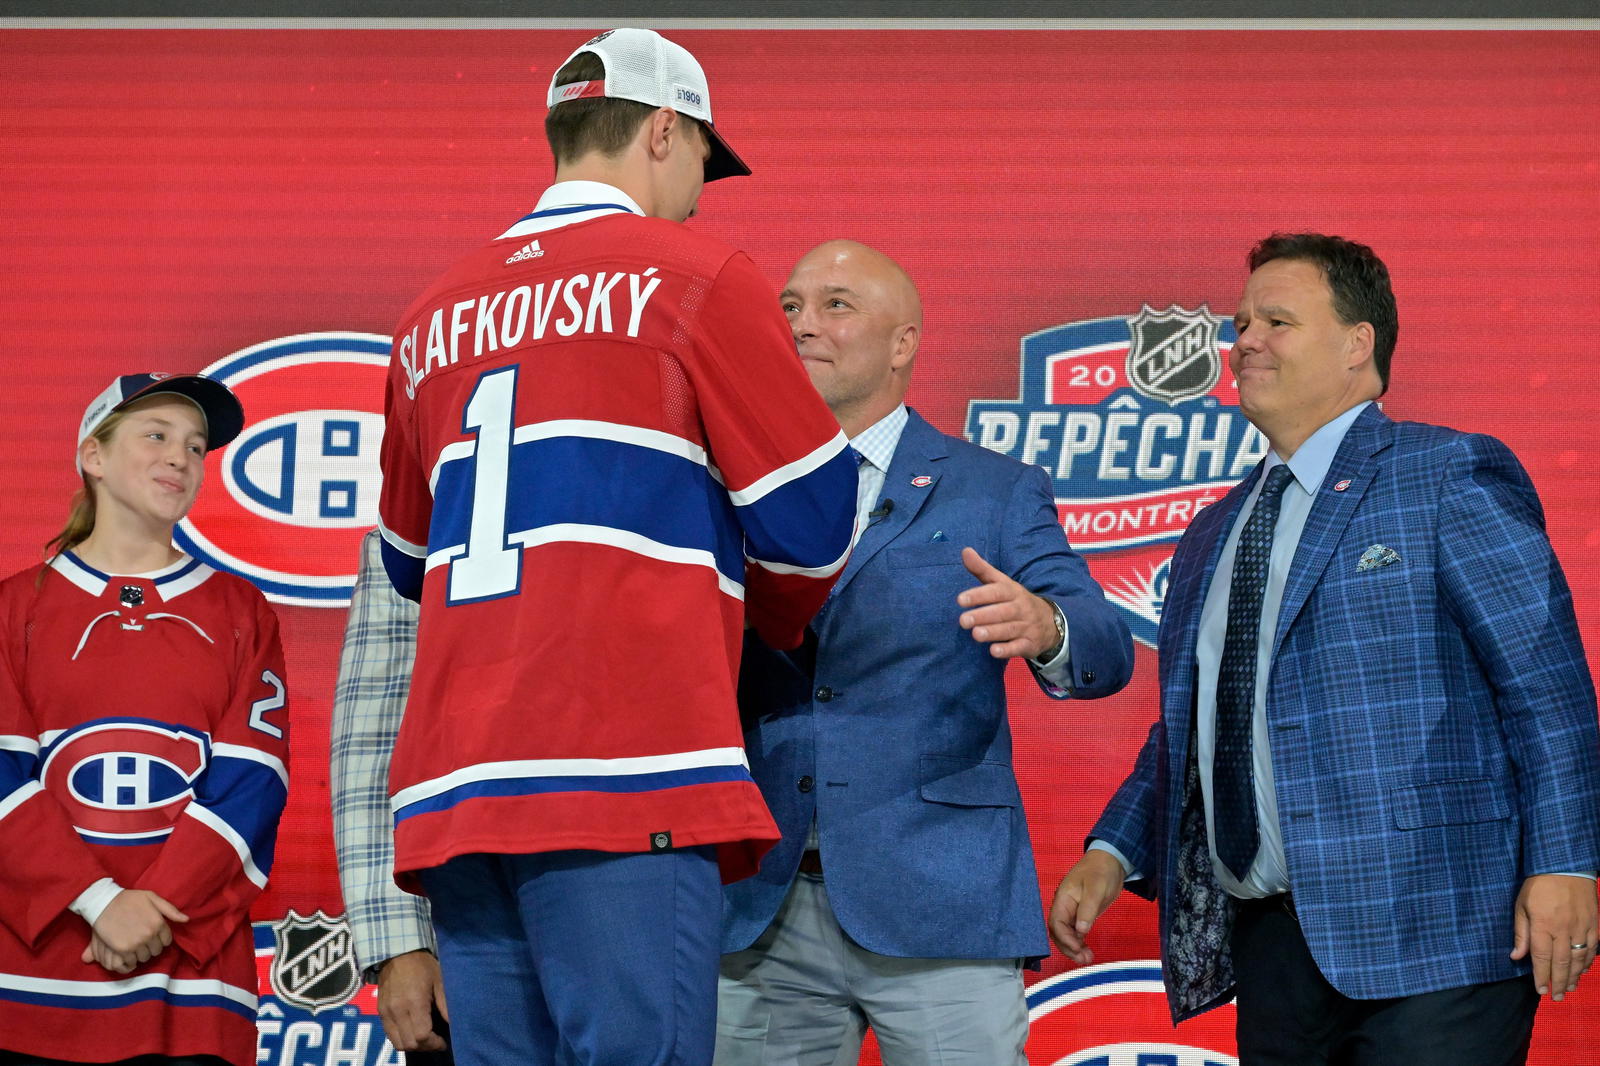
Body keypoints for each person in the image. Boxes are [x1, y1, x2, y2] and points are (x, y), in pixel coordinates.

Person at [375, 27, 858, 1066]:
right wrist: (749, 608)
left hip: (458, 787)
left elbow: (408, 562)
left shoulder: (428, 315)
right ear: (661, 131)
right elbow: (814, 521)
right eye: (697, 163)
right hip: (621, 760)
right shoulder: (695, 272)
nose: (695, 190)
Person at [1050, 233, 1600, 1066]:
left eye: (1278, 320)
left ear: (1357, 344)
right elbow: (1196, 726)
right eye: (1242, 323)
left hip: (1438, 929)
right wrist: (1111, 849)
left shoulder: (1446, 472)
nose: (1246, 341)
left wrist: (1567, 862)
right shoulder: (1211, 533)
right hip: (1272, 944)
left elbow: (1545, 685)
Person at [716, 240, 1135, 1066]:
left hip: (941, 901)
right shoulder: (718, 483)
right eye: (790, 306)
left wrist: (1045, 625)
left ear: (903, 343)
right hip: (758, 904)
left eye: (836, 305)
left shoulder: (994, 488)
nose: (803, 324)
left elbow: (1106, 643)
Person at [0, 373, 288, 1066]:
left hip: (188, 982)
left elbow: (254, 780)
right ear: (92, 458)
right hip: (30, 980)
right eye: (155, 436)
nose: (180, 460)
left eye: (194, 448)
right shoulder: (14, 610)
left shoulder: (240, 612)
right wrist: (97, 900)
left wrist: (153, 905)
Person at [330, 529, 450, 1062]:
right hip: (469, 935)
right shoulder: (416, 528)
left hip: (681, 909)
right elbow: (375, 740)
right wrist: (401, 943)